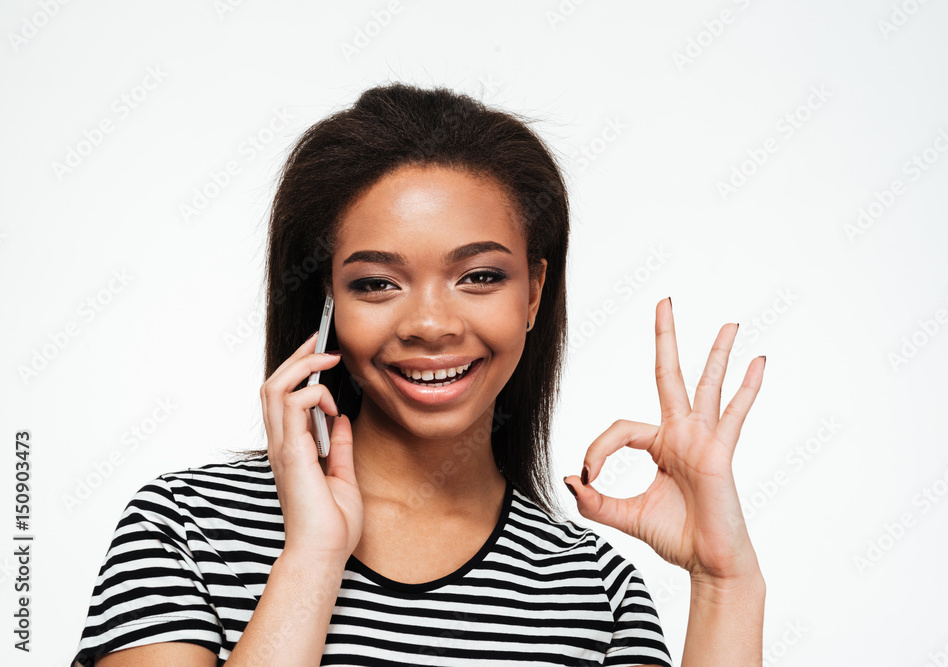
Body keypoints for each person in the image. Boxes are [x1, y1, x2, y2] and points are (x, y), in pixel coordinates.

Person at [71, 82, 766, 666]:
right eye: (377, 283)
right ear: (327, 302)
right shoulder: (186, 528)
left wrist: (725, 580)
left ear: (533, 293)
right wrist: (312, 555)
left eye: (480, 276)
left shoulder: (594, 592)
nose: (431, 324)